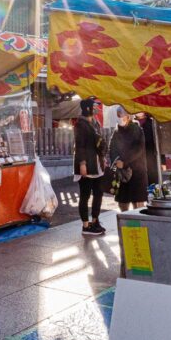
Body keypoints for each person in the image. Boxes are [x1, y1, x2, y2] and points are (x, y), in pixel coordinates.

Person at [74, 96, 106, 236]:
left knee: (98, 192)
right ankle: (85, 225)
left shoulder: (95, 122)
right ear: (87, 108)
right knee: (85, 194)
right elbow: (79, 145)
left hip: (97, 163)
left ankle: (95, 220)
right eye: (94, 107)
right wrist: (82, 164)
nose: (96, 109)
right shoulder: (80, 124)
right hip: (86, 163)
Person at [109, 108, 149, 210]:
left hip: (136, 172)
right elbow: (112, 148)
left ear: (128, 116)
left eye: (121, 115)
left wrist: (125, 162)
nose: (119, 118)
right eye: (118, 115)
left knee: (137, 205)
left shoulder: (137, 129)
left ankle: (138, 226)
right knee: (122, 203)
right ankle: (124, 226)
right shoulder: (116, 131)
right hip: (122, 175)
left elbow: (138, 150)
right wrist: (116, 160)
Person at [136, 112, 161, 185]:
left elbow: (152, 142)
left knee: (151, 177)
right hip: (145, 157)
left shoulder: (150, 124)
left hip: (149, 156)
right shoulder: (137, 124)